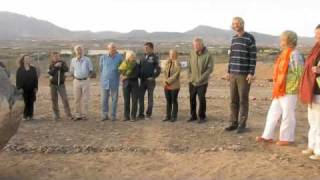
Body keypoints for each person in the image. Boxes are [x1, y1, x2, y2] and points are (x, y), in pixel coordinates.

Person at [256, 31, 304, 146]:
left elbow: (300, 73)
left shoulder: (295, 54)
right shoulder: (284, 53)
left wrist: (294, 85)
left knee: (288, 114)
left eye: (283, 39)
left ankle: (287, 138)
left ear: (290, 41)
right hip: (280, 89)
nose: (281, 41)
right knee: (273, 112)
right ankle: (267, 136)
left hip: (290, 89)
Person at [224, 17, 257, 133]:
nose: (235, 25)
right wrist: (228, 71)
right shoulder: (233, 39)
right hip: (233, 73)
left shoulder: (250, 38)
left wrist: (251, 73)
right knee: (233, 100)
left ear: (242, 24)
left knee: (243, 100)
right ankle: (233, 123)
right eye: (233, 24)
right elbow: (231, 56)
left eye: (237, 23)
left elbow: (253, 57)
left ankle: (242, 124)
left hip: (244, 74)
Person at [299, 24, 320, 160]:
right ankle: (311, 146)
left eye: (319, 34)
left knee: (319, 121)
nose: (317, 36)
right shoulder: (316, 49)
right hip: (313, 89)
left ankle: (319, 151)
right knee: (312, 120)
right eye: (316, 34)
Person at [187, 37, 214, 123]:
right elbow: (189, 66)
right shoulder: (191, 53)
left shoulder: (208, 55)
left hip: (202, 82)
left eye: (197, 45)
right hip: (192, 81)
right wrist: (190, 77)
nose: (196, 47)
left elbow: (209, 69)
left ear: (202, 45)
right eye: (194, 45)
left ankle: (202, 116)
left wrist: (200, 79)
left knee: (201, 99)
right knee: (192, 98)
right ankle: (193, 115)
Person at [99, 43, 123, 121]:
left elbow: (122, 68)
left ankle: (113, 115)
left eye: (114, 48)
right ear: (108, 49)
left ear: (116, 49)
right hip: (105, 81)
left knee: (114, 99)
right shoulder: (103, 57)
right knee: (104, 99)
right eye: (111, 48)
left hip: (115, 81)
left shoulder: (119, 57)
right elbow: (101, 69)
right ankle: (104, 115)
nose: (113, 49)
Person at [138, 42, 161, 119]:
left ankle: (148, 114)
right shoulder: (142, 57)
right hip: (142, 80)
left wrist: (153, 77)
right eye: (144, 48)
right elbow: (139, 68)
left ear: (151, 48)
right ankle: (141, 114)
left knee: (150, 98)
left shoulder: (155, 57)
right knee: (140, 97)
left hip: (150, 81)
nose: (145, 49)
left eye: (147, 48)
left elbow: (158, 69)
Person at [70, 45, 93, 120]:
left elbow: (90, 70)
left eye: (80, 50)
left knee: (85, 99)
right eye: (77, 50)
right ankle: (77, 115)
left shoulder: (87, 59)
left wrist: (87, 78)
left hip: (85, 81)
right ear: (75, 51)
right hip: (76, 81)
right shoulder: (73, 60)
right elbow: (71, 71)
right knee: (77, 99)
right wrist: (75, 78)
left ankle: (84, 115)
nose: (79, 51)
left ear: (83, 51)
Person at [48, 52, 73, 121]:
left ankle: (68, 114)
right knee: (54, 100)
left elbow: (66, 69)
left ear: (59, 57)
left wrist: (61, 66)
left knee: (65, 99)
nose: (56, 57)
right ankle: (56, 115)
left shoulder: (63, 63)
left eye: (57, 56)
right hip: (53, 84)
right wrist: (55, 67)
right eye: (55, 56)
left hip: (61, 84)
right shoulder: (51, 64)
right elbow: (50, 73)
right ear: (52, 57)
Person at [16, 54, 38, 121]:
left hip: (31, 88)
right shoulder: (19, 69)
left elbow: (35, 79)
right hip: (23, 89)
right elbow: (18, 79)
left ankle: (30, 115)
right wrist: (19, 88)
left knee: (31, 101)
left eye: (28, 59)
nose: (27, 60)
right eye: (26, 59)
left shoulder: (33, 69)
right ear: (23, 60)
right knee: (25, 102)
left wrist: (36, 87)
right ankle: (25, 116)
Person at [119, 52, 140, 122]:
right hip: (125, 84)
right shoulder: (124, 64)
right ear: (127, 57)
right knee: (126, 101)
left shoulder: (136, 65)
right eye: (130, 56)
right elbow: (121, 71)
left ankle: (133, 116)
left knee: (134, 101)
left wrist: (126, 76)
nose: (132, 57)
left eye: (133, 56)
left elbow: (136, 75)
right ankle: (126, 116)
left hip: (134, 84)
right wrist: (122, 75)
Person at [162, 49, 181, 122]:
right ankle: (168, 116)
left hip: (174, 85)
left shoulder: (177, 63)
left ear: (176, 55)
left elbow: (176, 75)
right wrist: (165, 81)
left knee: (174, 100)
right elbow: (164, 73)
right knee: (168, 101)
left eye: (173, 54)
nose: (172, 55)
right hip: (166, 85)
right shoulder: (167, 63)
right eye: (170, 54)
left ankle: (174, 116)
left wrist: (168, 81)